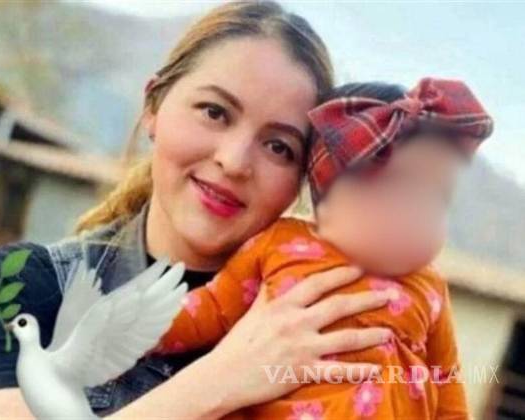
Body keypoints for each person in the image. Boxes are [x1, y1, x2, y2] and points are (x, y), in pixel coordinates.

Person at [0, 2, 393, 419]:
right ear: (153, 107)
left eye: (279, 147)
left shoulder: (327, 317)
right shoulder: (20, 284)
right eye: (215, 112)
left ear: (304, 179)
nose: (234, 161)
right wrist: (221, 380)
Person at [152, 78, 494, 419]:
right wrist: (141, 330)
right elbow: (212, 307)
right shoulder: (282, 244)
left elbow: (447, 385)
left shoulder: (430, 288)